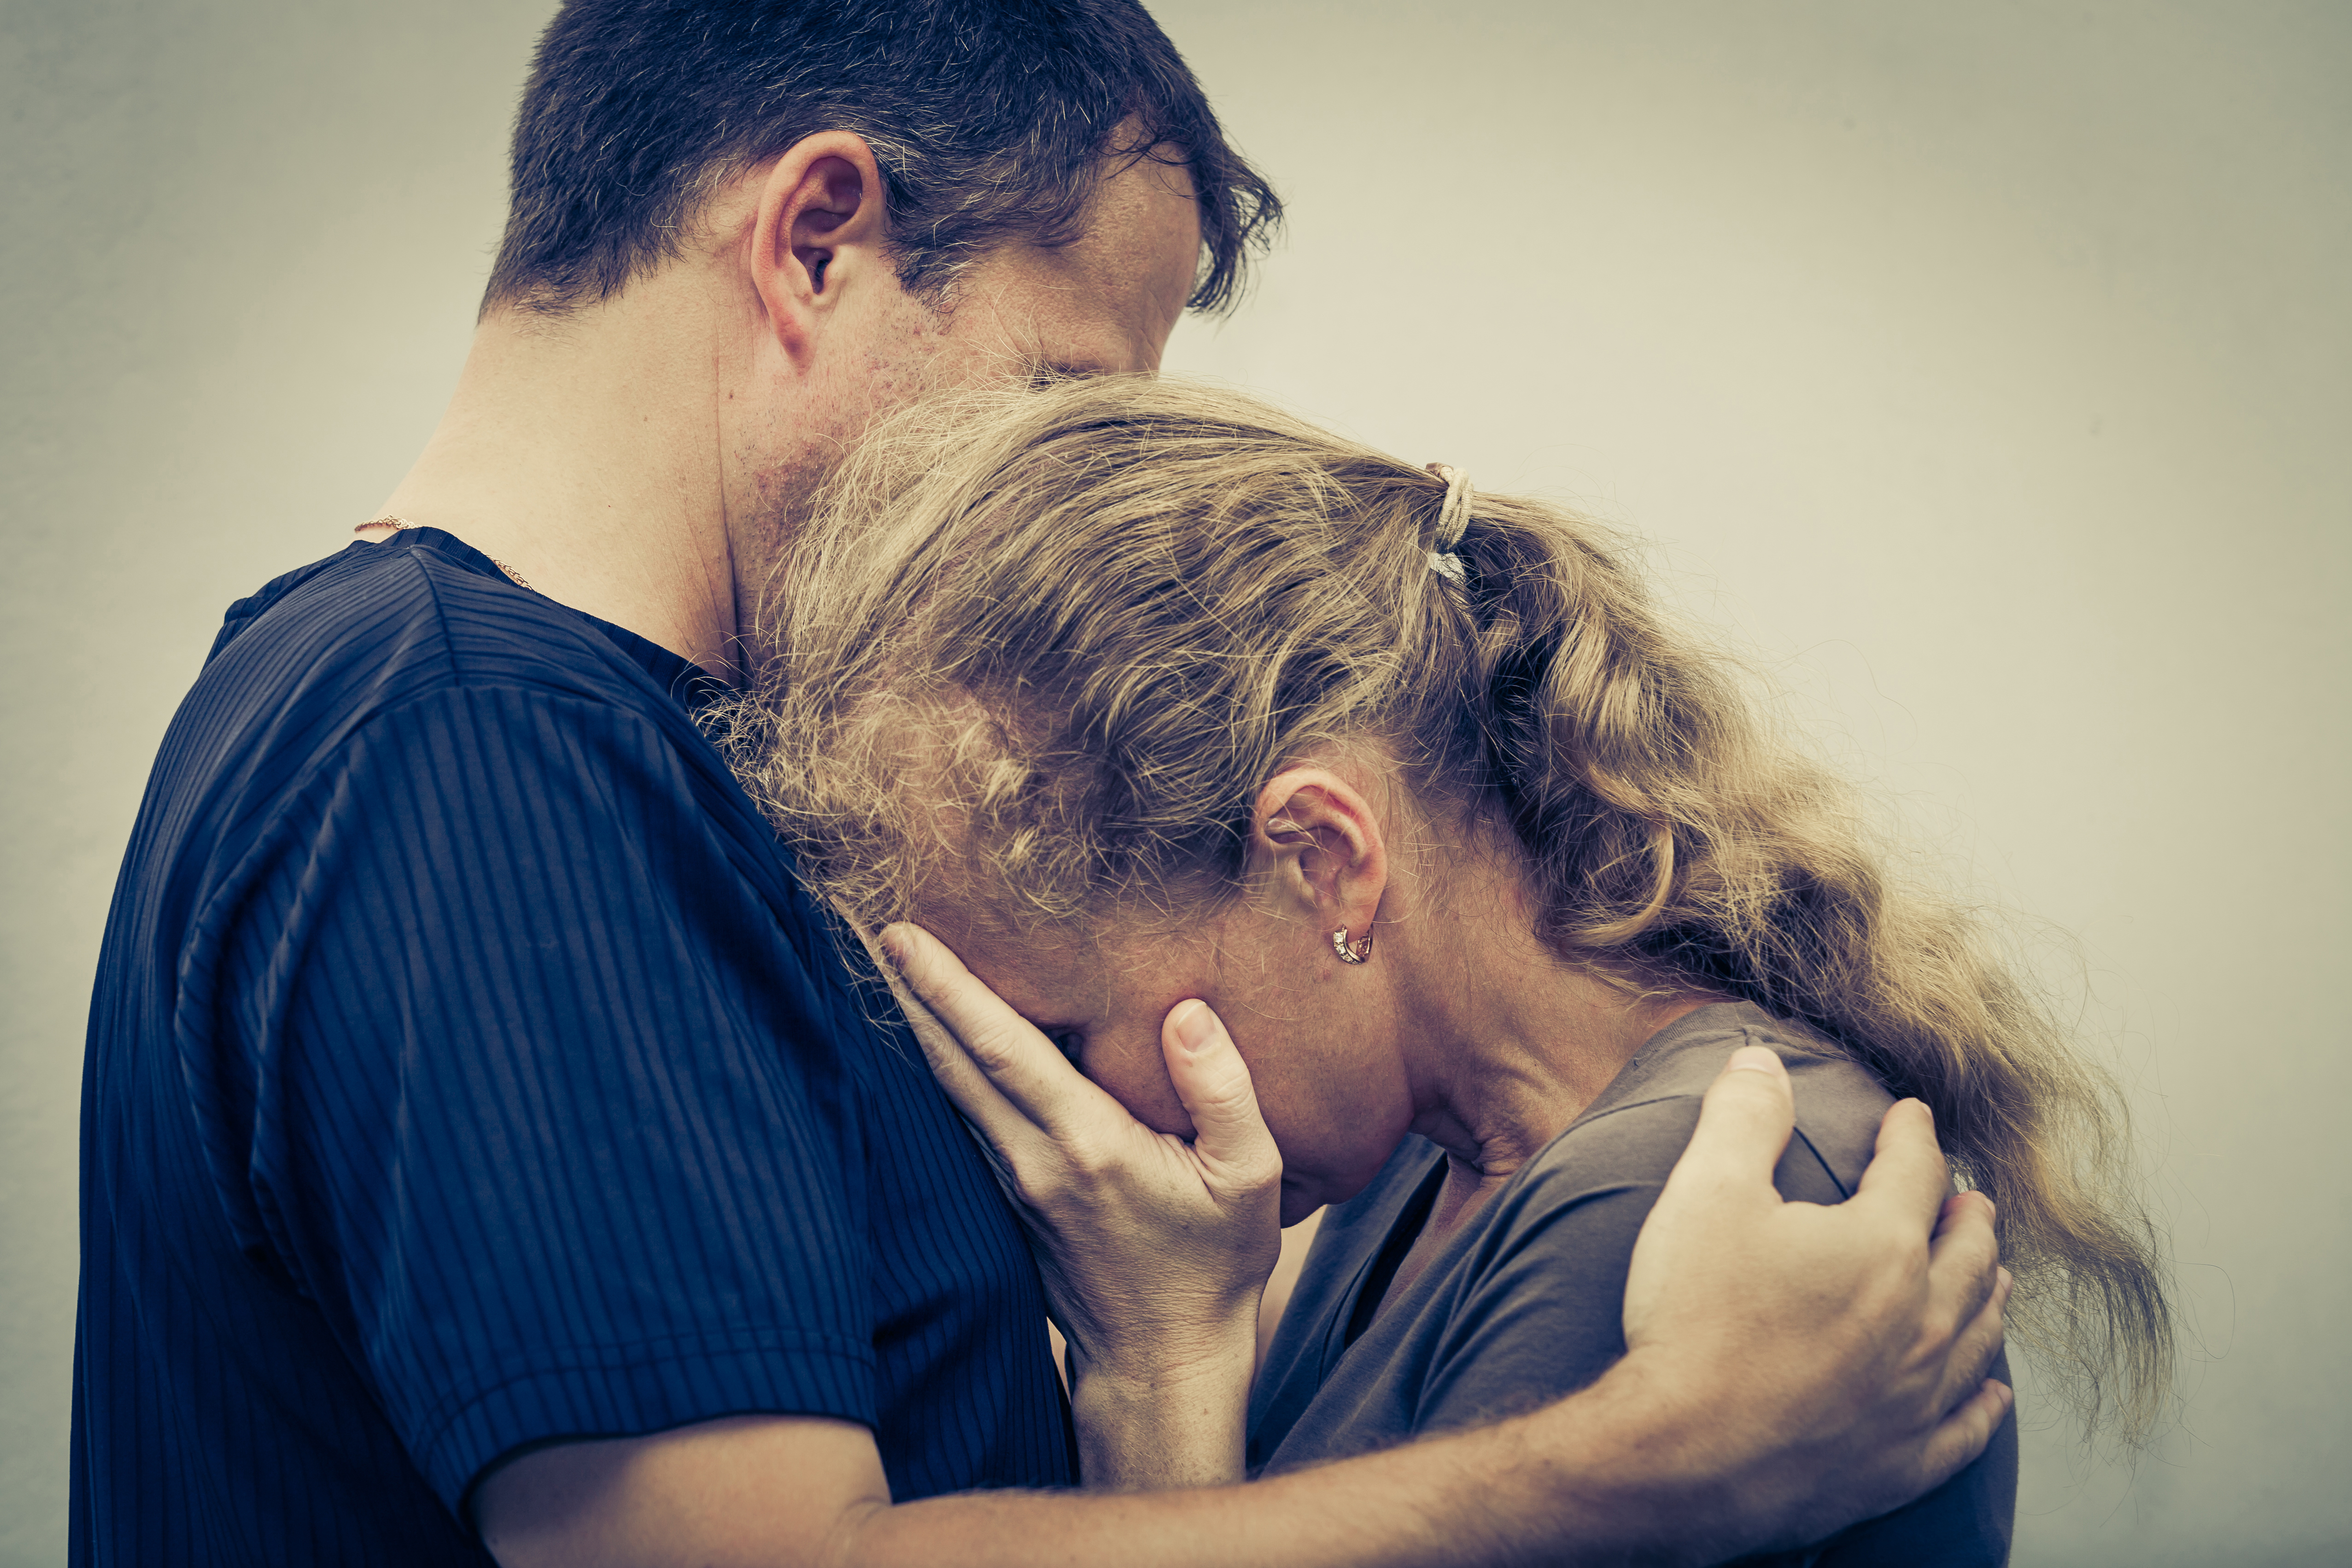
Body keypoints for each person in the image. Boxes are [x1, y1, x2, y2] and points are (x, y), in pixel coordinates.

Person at [73, 3, 2009, 1565]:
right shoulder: (477, 748)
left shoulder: (567, 738)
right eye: (1061, 392)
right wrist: (1639, 1465)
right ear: (814, 238)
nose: (1054, 493)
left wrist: (1170, 1363)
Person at [731, 375, 2176, 1557]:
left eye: (1061, 1025)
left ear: (1323, 858)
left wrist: (1161, 1374)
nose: (1046, 1111)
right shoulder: (1417, 1167)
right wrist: (1163, 1358)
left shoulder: (1663, 1201)